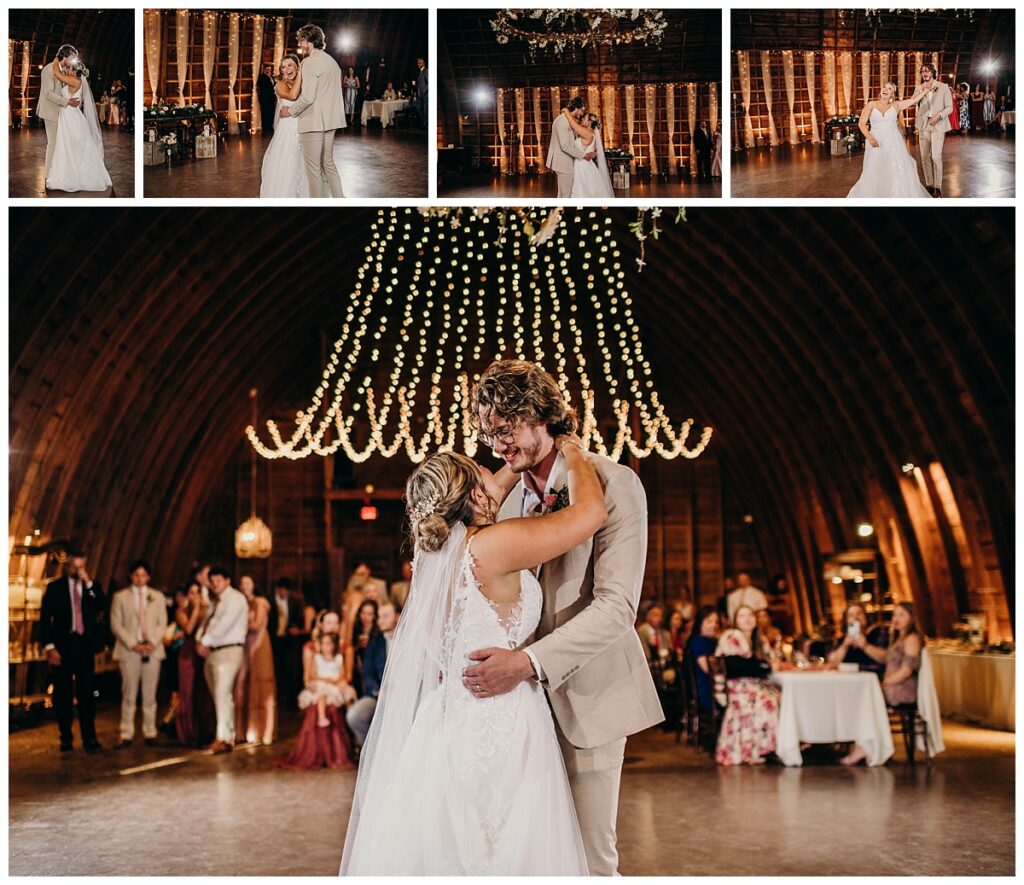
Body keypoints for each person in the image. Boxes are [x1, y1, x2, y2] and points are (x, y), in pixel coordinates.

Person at [342, 428, 611, 874]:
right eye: (484, 471)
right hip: (501, 720)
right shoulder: (492, 545)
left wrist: (521, 454)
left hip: (449, 721)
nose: (495, 473)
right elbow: (590, 513)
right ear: (472, 494)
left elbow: (494, 487)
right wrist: (570, 448)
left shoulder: (436, 557)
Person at [840, 602, 922, 766]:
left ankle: (864, 747)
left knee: (863, 697)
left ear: (911, 618)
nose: (896, 619)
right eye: (894, 615)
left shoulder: (911, 639)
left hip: (902, 688)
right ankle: (866, 745)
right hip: (894, 684)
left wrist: (884, 683)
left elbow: (906, 671)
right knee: (860, 696)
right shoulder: (899, 638)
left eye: (901, 615)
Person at [40, 550, 106, 752]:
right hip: (63, 645)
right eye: (74, 567)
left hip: (84, 645)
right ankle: (66, 737)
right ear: (67, 566)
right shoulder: (55, 588)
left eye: (81, 567)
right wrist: (50, 647)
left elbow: (102, 606)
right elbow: (45, 619)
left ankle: (89, 737)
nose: (78, 570)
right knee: (63, 693)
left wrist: (88, 584)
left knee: (87, 692)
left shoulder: (92, 588)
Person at [280, 24, 345, 198]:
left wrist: (290, 111)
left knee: (314, 170)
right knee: (328, 164)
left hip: (313, 121)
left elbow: (308, 97)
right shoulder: (332, 62)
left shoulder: (308, 63)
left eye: (301, 40)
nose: (300, 45)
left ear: (309, 40)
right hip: (331, 121)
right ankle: (340, 199)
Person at [110, 560, 167, 748]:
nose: (140, 579)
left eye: (143, 575)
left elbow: (162, 622)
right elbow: (116, 624)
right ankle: (126, 733)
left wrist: (152, 641)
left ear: (148, 577)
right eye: (136, 575)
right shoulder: (120, 597)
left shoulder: (157, 597)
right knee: (128, 692)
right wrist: (133, 643)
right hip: (129, 651)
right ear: (130, 576)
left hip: (153, 649)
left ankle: (150, 732)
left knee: (150, 694)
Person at [715, 605, 781, 766]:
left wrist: (767, 665)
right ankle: (754, 749)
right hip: (736, 684)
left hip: (751, 682)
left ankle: (779, 744)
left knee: (782, 694)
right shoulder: (733, 636)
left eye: (750, 615)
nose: (747, 619)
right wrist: (765, 667)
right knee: (766, 699)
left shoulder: (758, 638)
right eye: (742, 616)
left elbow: (768, 660)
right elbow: (738, 666)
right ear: (735, 621)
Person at [847, 81, 932, 198]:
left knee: (894, 168)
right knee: (875, 168)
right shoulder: (871, 104)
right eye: (885, 87)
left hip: (893, 142)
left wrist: (926, 90)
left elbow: (914, 101)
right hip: (875, 142)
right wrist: (870, 138)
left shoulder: (896, 106)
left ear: (892, 94)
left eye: (890, 89)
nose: (886, 89)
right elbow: (861, 123)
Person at [197, 567, 248, 753]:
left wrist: (205, 641)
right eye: (212, 581)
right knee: (219, 695)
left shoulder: (235, 598)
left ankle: (223, 737)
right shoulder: (216, 601)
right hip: (213, 651)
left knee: (222, 692)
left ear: (227, 580)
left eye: (219, 580)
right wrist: (199, 639)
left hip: (229, 649)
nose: (215, 584)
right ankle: (227, 734)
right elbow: (208, 622)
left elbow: (225, 624)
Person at [44, 53, 112, 193]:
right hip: (71, 115)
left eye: (68, 68)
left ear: (74, 71)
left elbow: (56, 73)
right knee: (71, 145)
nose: (66, 70)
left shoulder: (74, 81)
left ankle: (74, 175)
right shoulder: (76, 81)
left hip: (70, 117)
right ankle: (73, 172)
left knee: (70, 145)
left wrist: (57, 60)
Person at [344, 603, 395, 748]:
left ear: (397, 617)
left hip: (402, 695)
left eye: (385, 616)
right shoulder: (374, 643)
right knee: (354, 716)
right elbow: (367, 673)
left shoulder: (408, 642)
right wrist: (377, 691)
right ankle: (371, 751)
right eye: (379, 617)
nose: (381, 620)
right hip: (378, 695)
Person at [235, 575, 276, 745]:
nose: (245, 586)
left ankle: (263, 730)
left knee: (260, 682)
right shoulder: (239, 603)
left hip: (258, 643)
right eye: (242, 583)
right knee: (242, 684)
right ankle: (242, 731)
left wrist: (236, 622)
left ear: (253, 585)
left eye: (248, 583)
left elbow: (257, 625)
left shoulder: (260, 602)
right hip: (243, 643)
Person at [260, 54, 308, 197]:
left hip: (303, 128)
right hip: (287, 131)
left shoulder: (305, 83)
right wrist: (301, 74)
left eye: (290, 65)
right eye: (283, 66)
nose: (286, 69)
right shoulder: (280, 85)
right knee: (288, 163)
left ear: (297, 66)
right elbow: (293, 96)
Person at [174, 580, 214, 747]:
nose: (195, 596)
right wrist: (196, 609)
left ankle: (206, 731)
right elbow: (189, 630)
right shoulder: (181, 611)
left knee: (204, 692)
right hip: (188, 653)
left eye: (198, 592)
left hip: (203, 653)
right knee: (188, 691)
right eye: (191, 592)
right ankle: (189, 733)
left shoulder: (208, 610)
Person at [37, 45, 82, 177]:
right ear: (66, 57)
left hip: (59, 111)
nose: (73, 61)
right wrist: (68, 102)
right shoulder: (49, 69)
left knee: (58, 143)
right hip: (51, 111)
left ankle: (57, 172)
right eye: (72, 58)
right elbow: (48, 94)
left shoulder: (60, 70)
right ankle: (48, 175)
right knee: (53, 143)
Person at [913, 64, 954, 198]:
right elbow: (913, 102)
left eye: (927, 70)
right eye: (922, 71)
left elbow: (949, 107)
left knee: (936, 156)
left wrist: (939, 116)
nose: (924, 73)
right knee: (925, 157)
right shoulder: (918, 88)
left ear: (933, 72)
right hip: (924, 125)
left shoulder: (943, 87)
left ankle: (938, 186)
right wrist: (921, 91)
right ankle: (929, 185)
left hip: (938, 124)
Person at [547, 96, 598, 198]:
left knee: (563, 194)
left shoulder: (569, 120)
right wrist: (583, 155)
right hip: (563, 163)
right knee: (565, 195)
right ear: (576, 108)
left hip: (568, 163)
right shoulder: (562, 121)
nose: (582, 113)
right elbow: (565, 146)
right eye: (582, 110)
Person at [559, 108, 615, 198]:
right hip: (584, 164)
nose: (582, 119)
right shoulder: (590, 133)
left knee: (583, 191)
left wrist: (566, 111)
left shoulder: (587, 133)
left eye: (584, 118)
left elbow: (573, 125)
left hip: (582, 166)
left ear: (589, 122)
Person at [268, 576, 304, 706]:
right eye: (282, 590)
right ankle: (275, 698)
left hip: (287, 640)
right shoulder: (270, 601)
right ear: (277, 590)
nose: (284, 593)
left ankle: (289, 700)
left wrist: (294, 628)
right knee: (274, 668)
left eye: (286, 591)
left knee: (289, 669)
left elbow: (296, 620)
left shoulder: (293, 603)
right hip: (272, 639)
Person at [827, 602, 889, 676]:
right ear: (846, 621)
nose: (855, 617)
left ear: (866, 617)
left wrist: (866, 646)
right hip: (849, 681)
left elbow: (886, 658)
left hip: (873, 680)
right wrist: (844, 646)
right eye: (851, 615)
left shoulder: (878, 633)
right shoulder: (842, 640)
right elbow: (832, 662)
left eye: (859, 613)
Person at [687, 605, 721, 716]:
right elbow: (708, 668)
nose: (714, 625)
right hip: (707, 690)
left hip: (714, 686)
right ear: (700, 623)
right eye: (709, 621)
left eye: (716, 622)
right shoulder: (699, 641)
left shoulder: (712, 641)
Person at [346, 599, 379, 698]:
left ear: (374, 616)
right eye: (363, 613)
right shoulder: (357, 628)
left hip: (374, 667)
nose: (365, 617)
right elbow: (351, 648)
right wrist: (358, 647)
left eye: (369, 614)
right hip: (358, 664)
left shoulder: (377, 632)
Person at [257, 63, 277, 135]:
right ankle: (265, 127)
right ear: (264, 70)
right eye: (267, 69)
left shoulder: (271, 76)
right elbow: (263, 87)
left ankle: (270, 125)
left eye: (270, 69)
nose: (269, 70)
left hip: (271, 97)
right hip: (265, 98)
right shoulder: (262, 77)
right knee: (265, 112)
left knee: (271, 111)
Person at [415, 57, 428, 127]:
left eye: (419, 63)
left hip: (425, 94)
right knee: (418, 108)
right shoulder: (419, 72)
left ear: (423, 63)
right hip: (419, 95)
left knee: (425, 110)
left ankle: (426, 124)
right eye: (418, 63)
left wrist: (424, 90)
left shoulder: (426, 71)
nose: (418, 64)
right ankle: (425, 122)